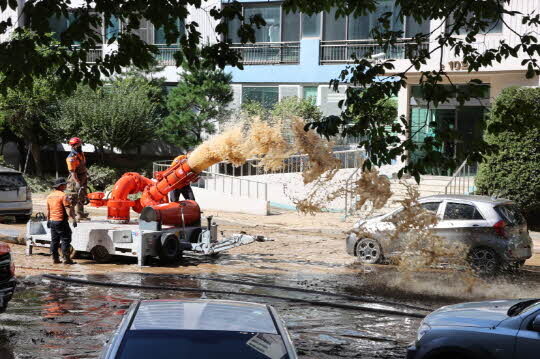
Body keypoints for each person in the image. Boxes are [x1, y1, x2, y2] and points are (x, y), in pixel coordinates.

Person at [46, 178, 75, 265]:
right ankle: (66, 259)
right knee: (66, 239)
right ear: (61, 186)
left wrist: (48, 220)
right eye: (64, 184)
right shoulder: (63, 195)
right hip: (61, 221)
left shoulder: (49, 196)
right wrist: (73, 219)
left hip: (52, 221)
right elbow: (67, 208)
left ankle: (55, 259)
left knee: (54, 240)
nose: (66, 186)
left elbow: (48, 210)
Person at [66, 137, 89, 220]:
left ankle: (80, 214)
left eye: (80, 144)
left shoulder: (81, 153)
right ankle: (71, 216)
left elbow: (83, 165)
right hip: (74, 178)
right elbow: (73, 172)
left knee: (82, 195)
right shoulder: (71, 158)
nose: (80, 145)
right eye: (78, 144)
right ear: (73, 146)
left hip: (83, 176)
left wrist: (86, 174)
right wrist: (77, 182)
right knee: (72, 197)